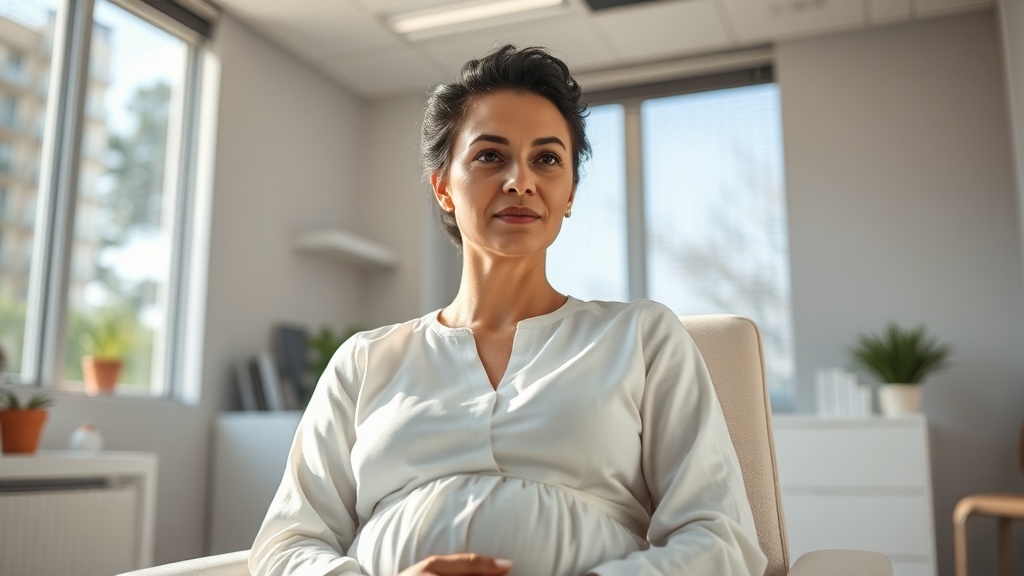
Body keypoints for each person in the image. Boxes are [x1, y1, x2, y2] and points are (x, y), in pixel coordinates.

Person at [249, 45, 767, 576]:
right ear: (443, 186)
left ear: (569, 192)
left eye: (547, 159)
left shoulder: (642, 336)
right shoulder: (364, 361)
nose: (520, 180)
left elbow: (720, 536)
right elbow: (287, 544)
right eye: (490, 155)